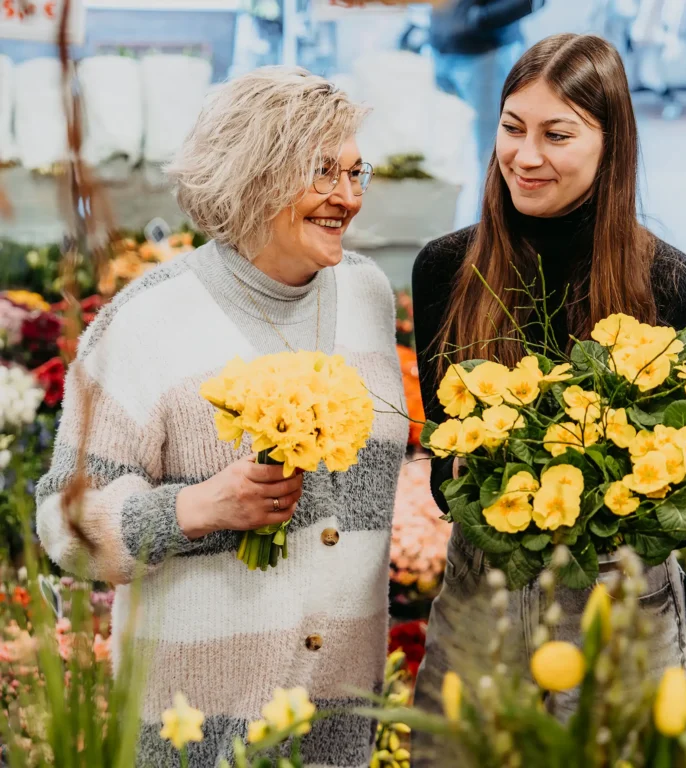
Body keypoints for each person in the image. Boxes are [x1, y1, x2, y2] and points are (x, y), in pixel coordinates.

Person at [36, 68, 408, 767]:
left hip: (338, 732)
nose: (349, 197)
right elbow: (64, 520)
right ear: (255, 174)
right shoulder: (146, 321)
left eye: (357, 172)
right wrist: (196, 509)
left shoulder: (367, 294)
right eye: (323, 173)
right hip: (196, 736)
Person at [411, 33, 686, 766]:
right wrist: (468, 478)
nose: (524, 155)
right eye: (512, 128)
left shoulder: (670, 284)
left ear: (611, 144)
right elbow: (441, 469)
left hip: (623, 613)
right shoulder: (447, 270)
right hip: (481, 608)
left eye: (558, 134)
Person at [429, 0, 541, 221]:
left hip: (488, 52)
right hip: (442, 47)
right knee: (447, 155)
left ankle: (490, 236)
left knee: (493, 151)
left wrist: (478, 18)